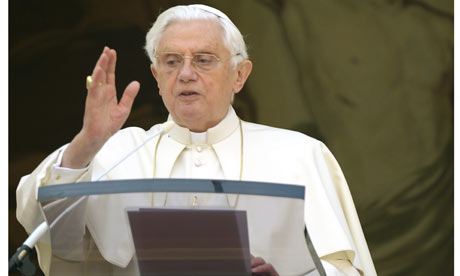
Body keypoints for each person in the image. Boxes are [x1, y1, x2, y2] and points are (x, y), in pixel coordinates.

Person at [16, 4, 377, 276]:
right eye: (172, 62)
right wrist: (88, 140)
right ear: (157, 76)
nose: (186, 74)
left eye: (203, 60)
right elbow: (41, 223)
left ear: (239, 75)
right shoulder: (119, 152)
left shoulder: (300, 153)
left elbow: (345, 268)